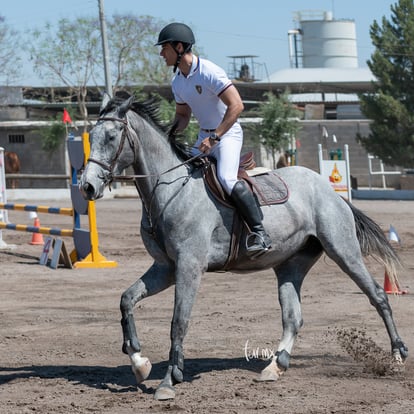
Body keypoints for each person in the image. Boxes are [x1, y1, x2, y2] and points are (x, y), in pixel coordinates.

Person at [156, 22, 271, 257]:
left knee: (227, 179)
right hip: (204, 136)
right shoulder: (178, 81)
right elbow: (183, 116)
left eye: (164, 48)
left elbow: (237, 105)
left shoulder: (210, 71)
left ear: (179, 47)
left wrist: (216, 137)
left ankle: (259, 232)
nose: (161, 53)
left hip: (227, 135)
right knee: (183, 174)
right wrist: (167, 134)